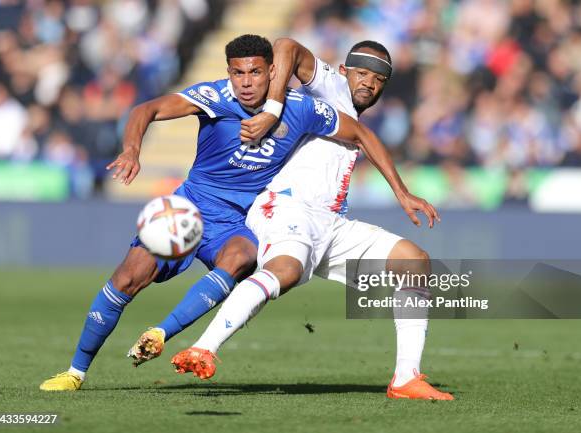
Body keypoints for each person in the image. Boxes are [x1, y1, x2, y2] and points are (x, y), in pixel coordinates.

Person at [39, 34, 422, 391]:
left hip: (241, 219)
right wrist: (132, 149)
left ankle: (163, 334)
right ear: (228, 74)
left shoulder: (304, 109)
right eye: (237, 72)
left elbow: (359, 133)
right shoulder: (216, 98)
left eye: (255, 71)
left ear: (273, 72)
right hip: (191, 207)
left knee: (242, 257)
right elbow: (147, 108)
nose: (246, 82)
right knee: (127, 278)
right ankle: (75, 372)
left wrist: (402, 192)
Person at [169, 38, 454, 400]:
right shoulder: (329, 86)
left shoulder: (355, 114)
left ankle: (405, 378)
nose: (368, 82)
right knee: (284, 272)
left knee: (414, 261)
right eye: (362, 73)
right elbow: (285, 46)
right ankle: (204, 347)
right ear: (345, 72)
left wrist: (402, 192)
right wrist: (272, 109)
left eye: (378, 79)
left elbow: (366, 139)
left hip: (331, 224)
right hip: (287, 208)